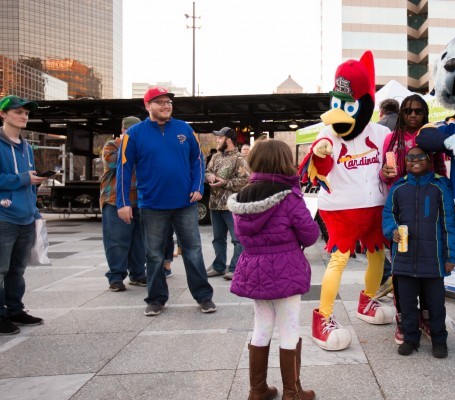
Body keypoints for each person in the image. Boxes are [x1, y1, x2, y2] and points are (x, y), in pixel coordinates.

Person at [227, 139, 319, 400]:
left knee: (262, 326)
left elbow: (243, 236)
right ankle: (293, 392)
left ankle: (257, 390)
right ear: (284, 162)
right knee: (289, 327)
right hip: (286, 269)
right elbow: (310, 235)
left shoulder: (242, 198)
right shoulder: (289, 197)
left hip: (255, 269)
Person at [117, 86, 215, 316]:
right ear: (148, 106)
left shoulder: (184, 129)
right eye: (160, 102)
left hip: (185, 203)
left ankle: (204, 296)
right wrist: (123, 202)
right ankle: (156, 299)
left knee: (193, 251)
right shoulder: (135, 134)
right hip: (152, 205)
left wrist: (197, 187)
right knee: (153, 254)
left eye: (168, 102)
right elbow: (123, 169)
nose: (166, 105)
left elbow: (197, 160)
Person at [379, 94, 448, 344]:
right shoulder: (391, 139)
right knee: (401, 271)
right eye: (407, 111)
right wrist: (384, 173)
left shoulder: (431, 137)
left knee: (430, 270)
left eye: (418, 111)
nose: (412, 116)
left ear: (425, 114)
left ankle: (428, 319)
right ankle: (405, 319)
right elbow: (384, 175)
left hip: (429, 212)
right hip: (401, 210)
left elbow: (441, 173)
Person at [382, 146, 455, 357]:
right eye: (410, 158)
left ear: (429, 161)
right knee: (407, 305)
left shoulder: (440, 187)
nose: (414, 161)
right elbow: (388, 215)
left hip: (433, 261)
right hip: (404, 261)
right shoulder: (398, 188)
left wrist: (451, 256)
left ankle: (439, 340)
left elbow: (450, 224)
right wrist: (392, 231)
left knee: (436, 305)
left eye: (419, 157)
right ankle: (410, 339)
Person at [0, 95, 45, 335]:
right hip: (4, 217)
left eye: (26, 113)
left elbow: (28, 181)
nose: (24, 116)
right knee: (0, 270)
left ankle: (14, 310)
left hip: (26, 217)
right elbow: (18, 179)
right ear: (3, 114)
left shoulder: (26, 146)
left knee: (17, 270)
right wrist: (23, 178)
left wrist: (35, 211)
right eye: (17, 112)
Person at [99, 116, 147, 292]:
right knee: (117, 240)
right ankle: (116, 276)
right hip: (115, 200)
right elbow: (115, 163)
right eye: (131, 131)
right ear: (123, 131)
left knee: (139, 241)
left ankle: (138, 274)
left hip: (139, 200)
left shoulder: (143, 146)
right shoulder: (111, 146)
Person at [204, 127, 249, 280]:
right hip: (214, 204)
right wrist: (209, 177)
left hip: (232, 206)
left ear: (228, 140)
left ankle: (235, 268)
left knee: (237, 239)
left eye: (220, 138)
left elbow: (244, 181)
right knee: (218, 238)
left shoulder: (240, 158)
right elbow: (207, 171)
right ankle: (218, 266)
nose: (217, 140)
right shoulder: (215, 157)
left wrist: (224, 183)